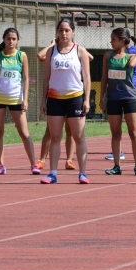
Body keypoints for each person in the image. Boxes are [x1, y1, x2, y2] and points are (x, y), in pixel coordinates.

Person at [39, 18, 91, 184]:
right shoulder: (51, 51)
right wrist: (43, 100)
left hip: (75, 98)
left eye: (67, 30)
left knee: (78, 136)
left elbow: (87, 77)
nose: (64, 33)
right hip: (55, 98)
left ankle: (82, 173)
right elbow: (46, 77)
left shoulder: (80, 51)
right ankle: (53, 173)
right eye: (61, 30)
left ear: (73, 32)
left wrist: (87, 99)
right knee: (55, 136)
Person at [0, 27, 39, 175]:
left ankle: (33, 164)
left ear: (17, 40)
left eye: (14, 39)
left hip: (16, 99)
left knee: (24, 133)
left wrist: (25, 99)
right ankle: (1, 164)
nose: (11, 41)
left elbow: (26, 79)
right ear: (4, 39)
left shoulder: (22, 56)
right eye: (8, 38)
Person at [101, 28, 136, 176]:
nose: (111, 42)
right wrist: (101, 97)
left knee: (134, 132)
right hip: (113, 98)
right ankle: (116, 166)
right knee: (115, 133)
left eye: (113, 39)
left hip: (129, 98)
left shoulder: (132, 56)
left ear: (122, 40)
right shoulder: (107, 56)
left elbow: (132, 65)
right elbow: (104, 77)